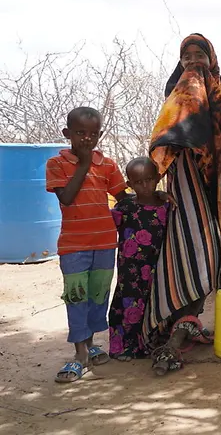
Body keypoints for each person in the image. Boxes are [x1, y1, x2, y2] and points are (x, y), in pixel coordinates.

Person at [147, 34, 221, 374]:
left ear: (211, 57)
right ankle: (178, 324)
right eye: (187, 55)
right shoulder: (175, 93)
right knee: (187, 254)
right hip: (186, 192)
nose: (193, 61)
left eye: (199, 54)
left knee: (218, 255)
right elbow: (168, 141)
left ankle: (190, 323)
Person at [45, 107, 129, 383]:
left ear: (100, 135)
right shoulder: (56, 164)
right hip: (74, 245)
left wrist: (153, 196)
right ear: (67, 134)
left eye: (93, 134)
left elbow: (122, 197)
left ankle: (90, 343)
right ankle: (80, 352)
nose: (87, 139)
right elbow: (67, 198)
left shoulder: (107, 164)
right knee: (76, 296)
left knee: (98, 295)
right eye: (80, 133)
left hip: (105, 242)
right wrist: (83, 164)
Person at [108, 157, 170, 361]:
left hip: (157, 266)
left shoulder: (166, 206)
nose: (145, 186)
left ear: (158, 178)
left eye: (150, 180)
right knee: (128, 305)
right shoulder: (125, 207)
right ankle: (124, 347)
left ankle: (149, 343)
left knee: (153, 302)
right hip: (130, 270)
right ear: (130, 185)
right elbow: (106, 225)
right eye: (138, 182)